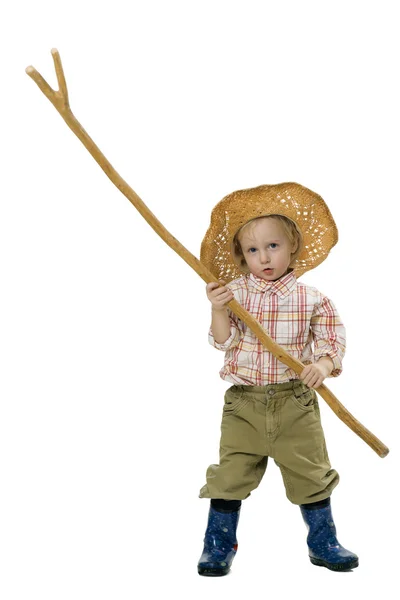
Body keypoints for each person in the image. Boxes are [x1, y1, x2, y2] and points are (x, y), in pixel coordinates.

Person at [197, 182, 358, 575]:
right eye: (252, 250)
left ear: (293, 248)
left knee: (312, 474)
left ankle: (324, 541)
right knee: (229, 476)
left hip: (295, 403)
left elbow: (332, 339)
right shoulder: (232, 294)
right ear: (241, 256)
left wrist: (321, 366)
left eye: (273, 246)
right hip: (244, 405)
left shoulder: (310, 298)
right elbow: (223, 341)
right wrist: (218, 310)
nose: (264, 257)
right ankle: (218, 544)